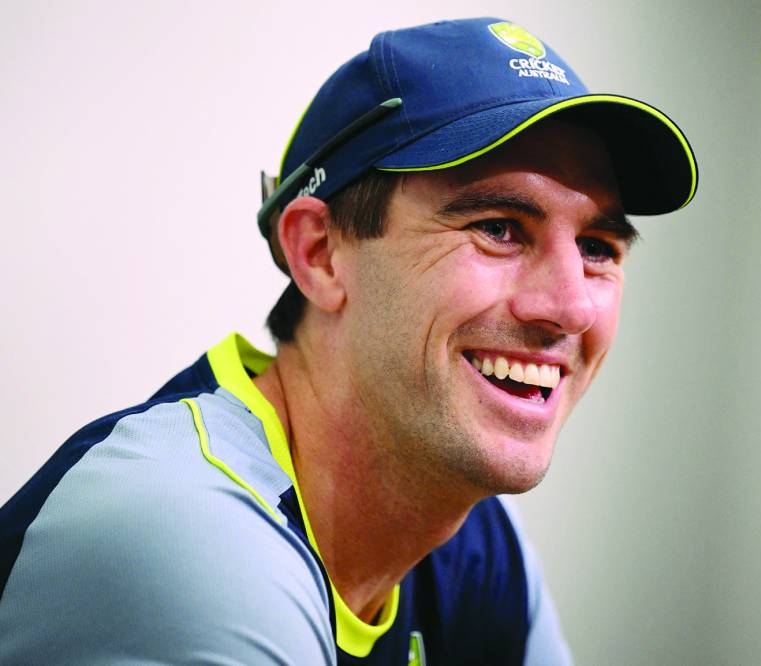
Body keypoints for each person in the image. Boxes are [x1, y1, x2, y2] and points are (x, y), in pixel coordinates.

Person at [0, 17, 696, 665]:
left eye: (599, 247)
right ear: (321, 252)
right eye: (500, 227)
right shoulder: (184, 538)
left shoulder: (484, 553)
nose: (571, 306)